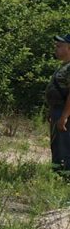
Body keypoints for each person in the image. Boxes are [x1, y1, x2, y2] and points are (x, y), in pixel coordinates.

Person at [46, 34, 70, 176]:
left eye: (59, 46)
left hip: (64, 112)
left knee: (63, 147)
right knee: (57, 145)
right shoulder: (65, 66)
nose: (56, 49)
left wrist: (64, 116)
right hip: (58, 111)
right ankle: (59, 175)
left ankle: (63, 177)